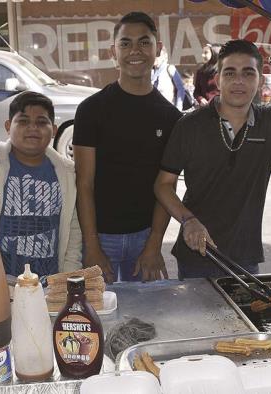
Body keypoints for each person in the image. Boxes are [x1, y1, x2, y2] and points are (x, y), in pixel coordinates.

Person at [154, 39, 271, 278]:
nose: (239, 81)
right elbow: (162, 185)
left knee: (241, 315)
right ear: (217, 78)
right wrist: (188, 220)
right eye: (230, 73)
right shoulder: (189, 125)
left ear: (260, 80)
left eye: (248, 73)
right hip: (197, 253)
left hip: (245, 257)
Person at [73, 12, 183, 283]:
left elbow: (167, 185)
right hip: (99, 237)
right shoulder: (91, 110)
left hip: (146, 237)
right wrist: (92, 246)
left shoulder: (171, 118)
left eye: (144, 42)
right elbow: (83, 184)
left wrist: (155, 243)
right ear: (114, 51)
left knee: (144, 321)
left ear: (157, 49)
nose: (135, 51)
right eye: (126, 43)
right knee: (100, 318)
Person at [0, 91, 82, 277]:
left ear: (54, 129)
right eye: (23, 121)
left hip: (48, 282)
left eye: (41, 122)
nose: (33, 128)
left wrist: (67, 278)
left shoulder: (67, 173)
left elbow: (73, 231)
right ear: (8, 126)